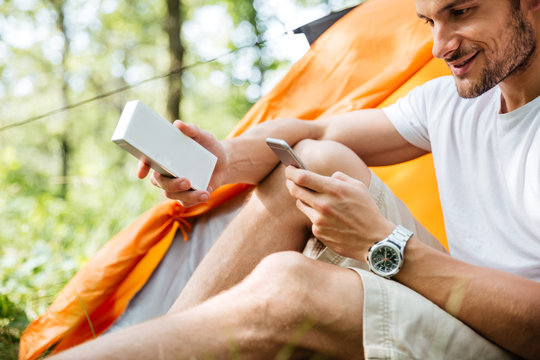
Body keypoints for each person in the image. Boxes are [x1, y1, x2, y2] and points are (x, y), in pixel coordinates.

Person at [51, 0, 540, 358]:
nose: (439, 47)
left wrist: (384, 245)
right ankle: (169, 338)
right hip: (465, 304)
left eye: (461, 13)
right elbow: (318, 128)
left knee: (291, 287)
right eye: (430, 21)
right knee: (313, 160)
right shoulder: (451, 102)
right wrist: (224, 159)